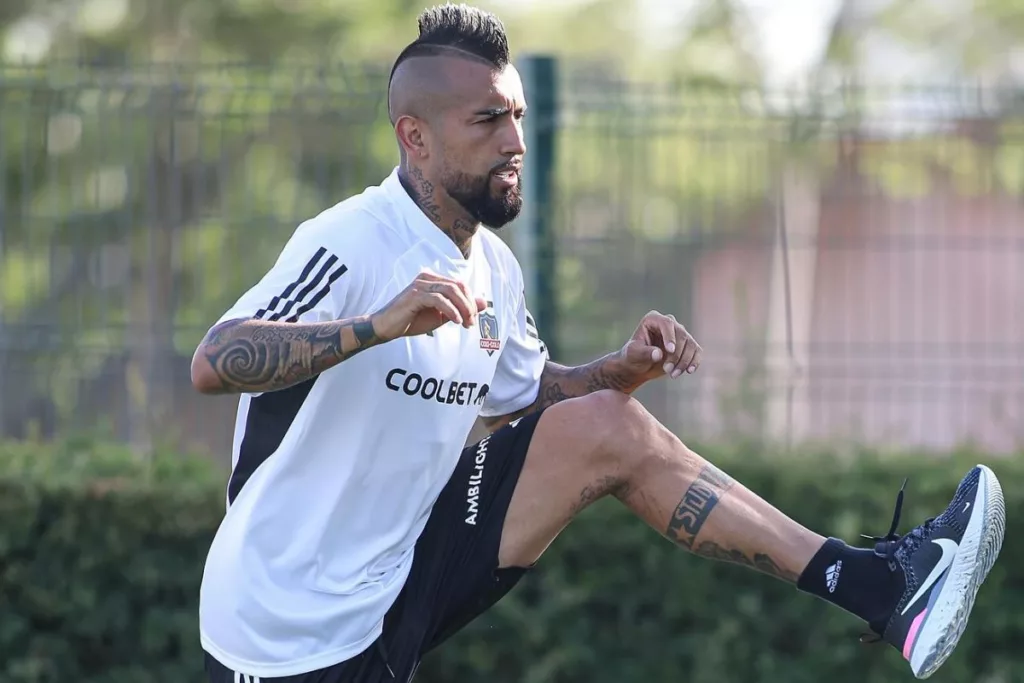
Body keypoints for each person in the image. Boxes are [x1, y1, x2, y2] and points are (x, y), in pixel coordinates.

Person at [190, 4, 1006, 682]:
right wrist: (373, 327)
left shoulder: (494, 271)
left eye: (516, 114)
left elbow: (527, 397)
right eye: (487, 120)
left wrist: (615, 369)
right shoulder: (350, 241)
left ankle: (881, 585)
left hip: (404, 567)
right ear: (416, 137)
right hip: (286, 624)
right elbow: (216, 359)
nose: (514, 139)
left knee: (609, 422)